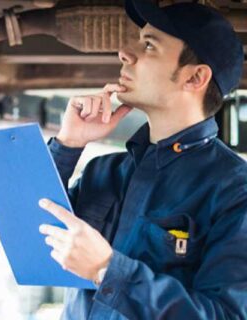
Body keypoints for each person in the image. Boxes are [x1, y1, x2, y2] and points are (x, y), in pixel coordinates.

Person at [37, 0, 247, 319]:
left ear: (195, 78)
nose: (125, 52)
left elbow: (226, 315)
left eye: (149, 45)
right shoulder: (101, 172)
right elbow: (30, 249)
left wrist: (108, 271)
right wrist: (67, 145)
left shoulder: (235, 192)